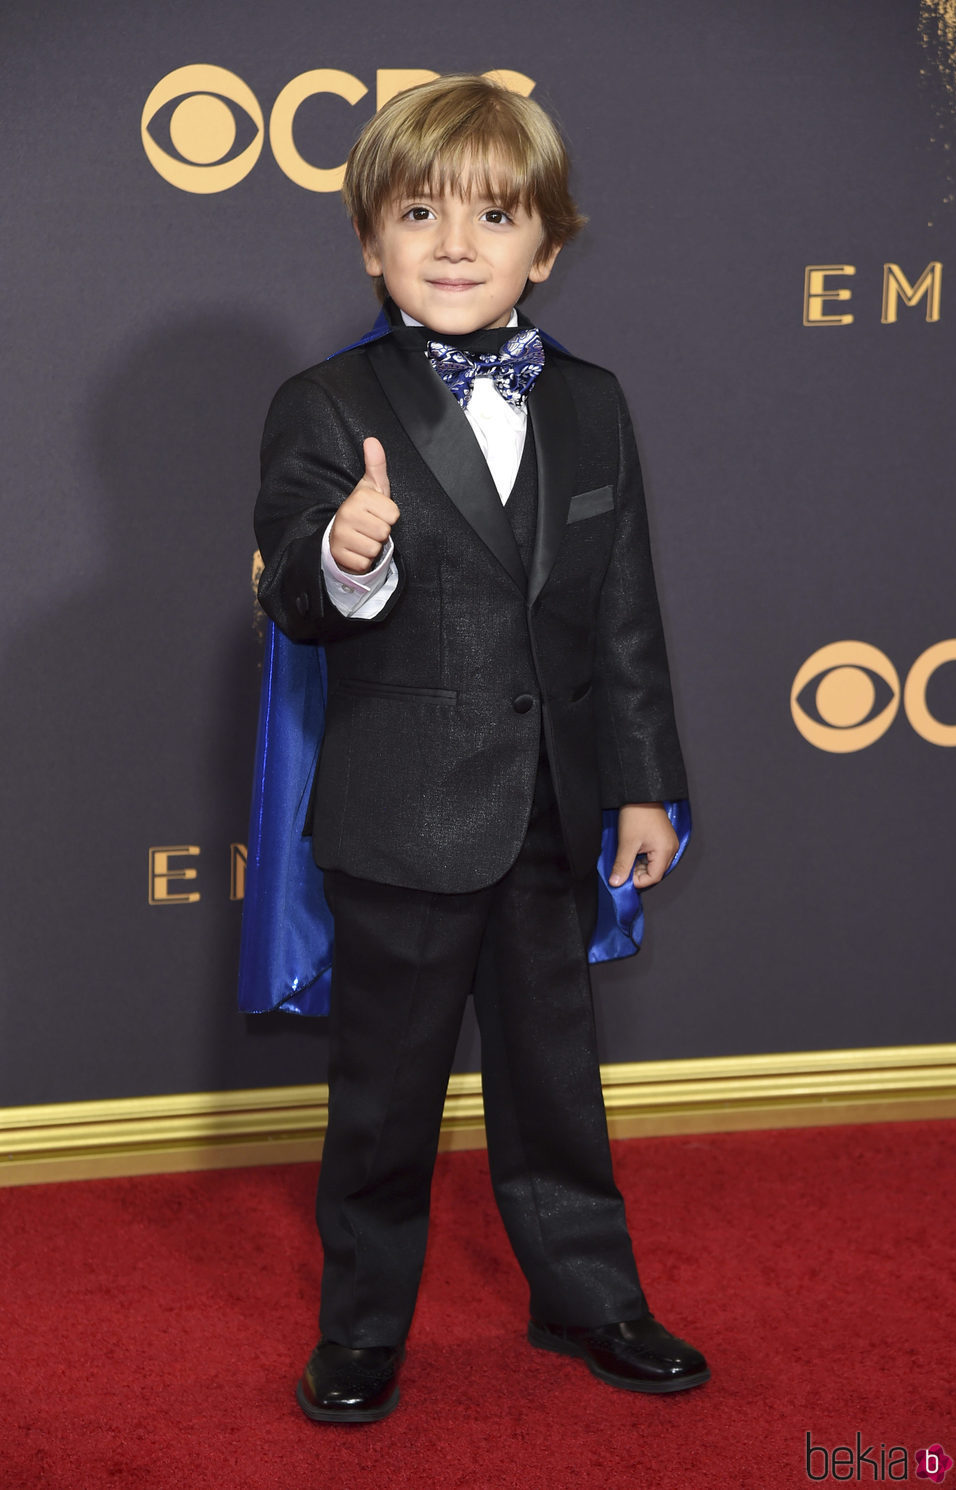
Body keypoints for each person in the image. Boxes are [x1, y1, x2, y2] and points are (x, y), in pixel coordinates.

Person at [251, 73, 709, 1424]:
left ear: (547, 246)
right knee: (385, 1100)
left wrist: (642, 781)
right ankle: (362, 1328)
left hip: (556, 816)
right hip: (401, 817)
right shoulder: (326, 404)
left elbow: (622, 608)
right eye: (417, 212)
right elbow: (288, 583)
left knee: (557, 1083)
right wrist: (342, 555)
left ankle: (589, 1298)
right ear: (368, 243)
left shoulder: (594, 403)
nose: (455, 243)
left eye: (495, 215)